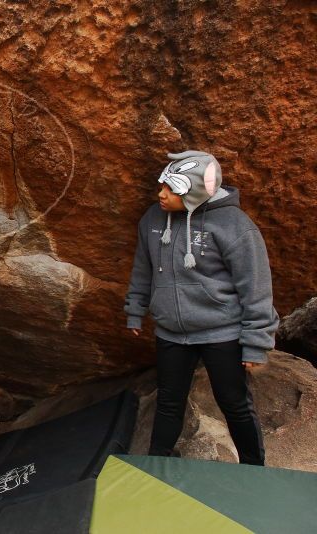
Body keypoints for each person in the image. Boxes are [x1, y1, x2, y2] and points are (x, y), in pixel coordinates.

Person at [124, 150, 279, 465]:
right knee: (169, 401)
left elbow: (256, 286)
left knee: (234, 402)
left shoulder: (235, 225)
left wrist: (255, 343)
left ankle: (254, 468)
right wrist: (135, 308)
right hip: (171, 332)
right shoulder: (153, 219)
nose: (161, 194)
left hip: (222, 331)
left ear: (195, 191)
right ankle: (156, 465)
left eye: (171, 189)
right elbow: (143, 268)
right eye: (163, 185)